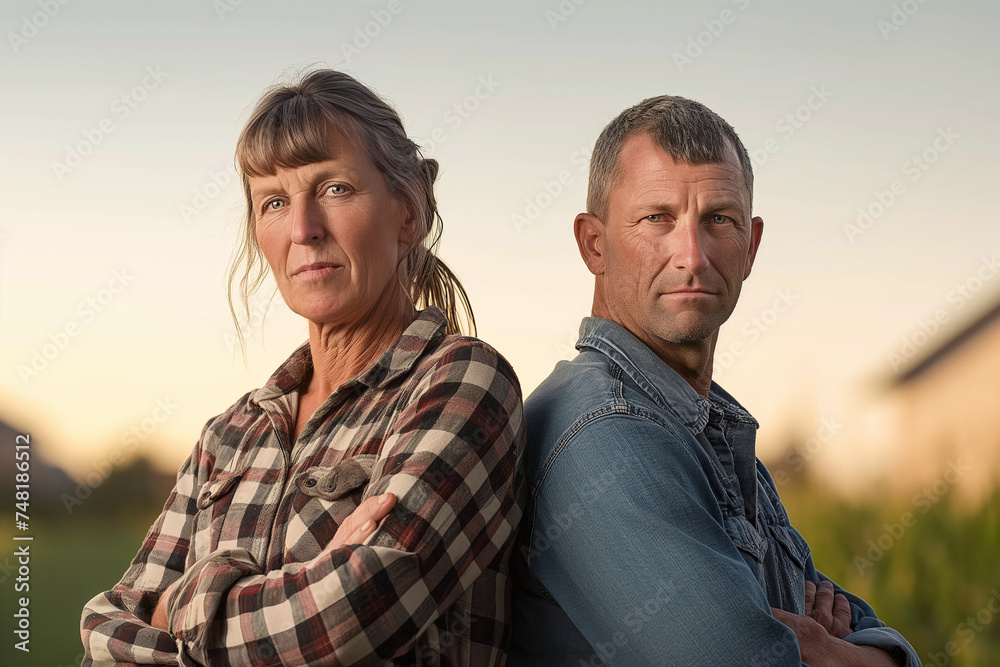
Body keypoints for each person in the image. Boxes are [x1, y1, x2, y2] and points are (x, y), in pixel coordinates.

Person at [80, 69, 526, 666]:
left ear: (410, 210)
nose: (302, 229)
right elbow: (104, 638)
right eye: (274, 202)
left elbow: (354, 616)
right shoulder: (228, 436)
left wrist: (179, 610)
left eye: (335, 189)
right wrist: (310, 581)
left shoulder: (464, 383)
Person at [508, 96, 919, 666]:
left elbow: (867, 635)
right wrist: (834, 652)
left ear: (750, 246)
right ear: (593, 244)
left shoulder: (710, 424)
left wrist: (825, 651)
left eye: (717, 220)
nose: (693, 256)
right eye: (657, 219)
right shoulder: (606, 431)